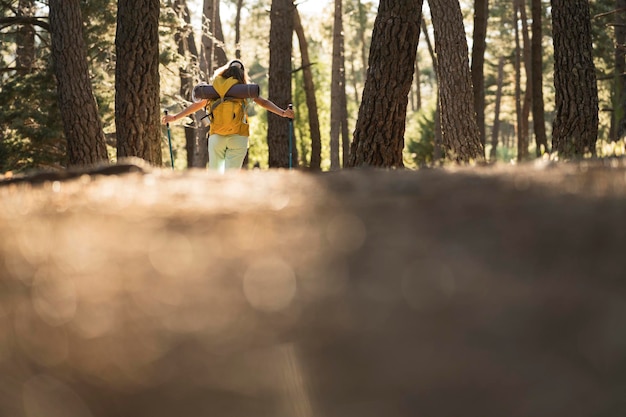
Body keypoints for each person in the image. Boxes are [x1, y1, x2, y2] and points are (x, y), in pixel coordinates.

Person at [162, 59, 295, 171]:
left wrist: (174, 117)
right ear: (242, 73)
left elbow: (197, 105)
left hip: (216, 136)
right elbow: (264, 102)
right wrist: (283, 113)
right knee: (231, 177)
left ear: (225, 71)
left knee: (215, 175)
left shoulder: (214, 89)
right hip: (238, 136)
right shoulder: (244, 89)